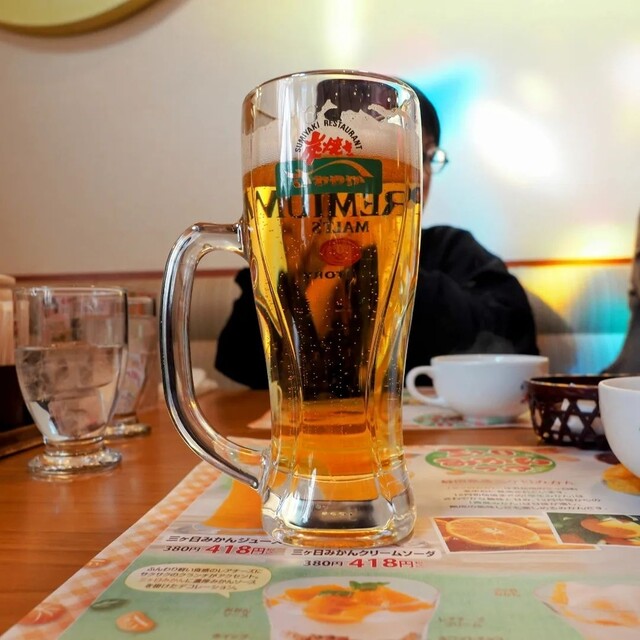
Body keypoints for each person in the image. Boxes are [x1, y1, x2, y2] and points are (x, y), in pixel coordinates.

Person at [215, 81, 539, 389]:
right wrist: (319, 276)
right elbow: (237, 360)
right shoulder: (292, 253)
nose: (421, 174)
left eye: (426, 156)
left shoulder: (449, 248)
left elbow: (515, 337)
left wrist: (387, 258)